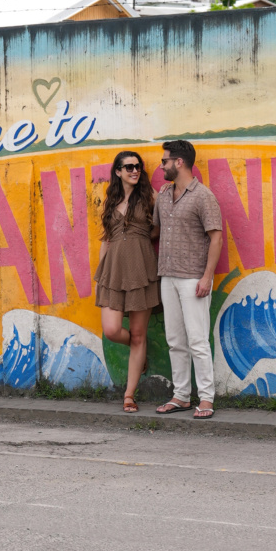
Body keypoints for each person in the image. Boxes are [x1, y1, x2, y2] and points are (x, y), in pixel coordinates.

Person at [153, 140, 223, 419]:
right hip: (167, 276)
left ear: (179, 162)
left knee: (197, 340)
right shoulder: (163, 194)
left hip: (193, 278)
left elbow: (216, 237)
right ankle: (181, 396)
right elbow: (156, 231)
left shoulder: (204, 196)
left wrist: (207, 277)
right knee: (175, 340)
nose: (161, 166)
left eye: (165, 161)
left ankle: (206, 398)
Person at [93, 150, 160, 413]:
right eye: (129, 167)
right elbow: (106, 239)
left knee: (139, 334)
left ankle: (129, 395)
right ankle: (138, 352)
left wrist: (142, 237)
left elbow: (158, 228)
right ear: (118, 171)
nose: (135, 171)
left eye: (138, 167)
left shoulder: (150, 197)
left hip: (141, 269)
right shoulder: (110, 201)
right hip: (113, 271)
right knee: (112, 330)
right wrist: (101, 272)